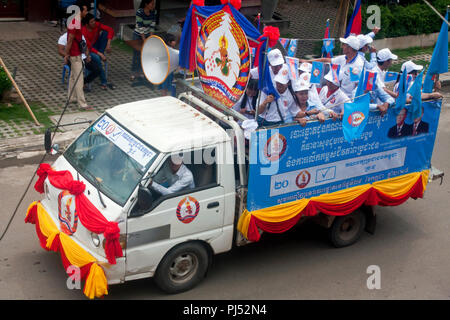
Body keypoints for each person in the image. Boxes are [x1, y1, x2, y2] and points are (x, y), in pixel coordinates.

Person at [63, 0, 96, 109]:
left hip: (76, 53)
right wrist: (66, 54)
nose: (86, 12)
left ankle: (71, 98)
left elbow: (78, 39)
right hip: (75, 54)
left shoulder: (77, 21)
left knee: (73, 77)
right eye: (85, 10)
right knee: (79, 78)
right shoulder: (75, 22)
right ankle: (82, 103)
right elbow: (70, 40)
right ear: (80, 11)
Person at [82, 13, 115, 90]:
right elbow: (88, 46)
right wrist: (100, 54)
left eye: (94, 21)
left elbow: (110, 29)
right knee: (97, 59)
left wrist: (108, 44)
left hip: (97, 45)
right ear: (87, 24)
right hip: (88, 50)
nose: (94, 23)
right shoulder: (83, 30)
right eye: (91, 22)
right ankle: (104, 81)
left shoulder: (97, 24)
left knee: (106, 33)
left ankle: (100, 54)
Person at [131, 0, 157, 81]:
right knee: (136, 55)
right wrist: (144, 40)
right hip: (138, 35)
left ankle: (142, 73)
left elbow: (152, 26)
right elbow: (140, 26)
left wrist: (150, 38)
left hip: (147, 35)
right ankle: (134, 73)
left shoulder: (153, 12)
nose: (153, 5)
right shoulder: (139, 12)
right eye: (152, 3)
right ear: (146, 4)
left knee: (145, 55)